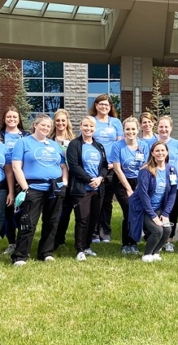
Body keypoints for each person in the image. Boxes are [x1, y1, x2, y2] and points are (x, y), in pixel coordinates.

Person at [11, 114, 68, 266]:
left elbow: (63, 166)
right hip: (33, 187)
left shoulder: (54, 145)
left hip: (54, 188)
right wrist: (25, 188)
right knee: (28, 222)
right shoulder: (23, 143)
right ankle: (21, 256)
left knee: (52, 222)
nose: (46, 128)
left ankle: (46, 252)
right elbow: (16, 167)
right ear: (35, 125)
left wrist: (65, 184)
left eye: (49, 126)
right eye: (43, 125)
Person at [66, 116, 108, 261]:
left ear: (94, 129)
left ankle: (87, 246)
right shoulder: (75, 145)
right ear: (81, 127)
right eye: (85, 126)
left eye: (91, 126)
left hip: (97, 189)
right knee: (82, 219)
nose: (88, 128)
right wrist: (90, 179)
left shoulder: (99, 146)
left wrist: (100, 179)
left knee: (93, 219)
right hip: (81, 189)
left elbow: (104, 166)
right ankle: (79, 249)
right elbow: (74, 166)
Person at [128, 141, 177, 262]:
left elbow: (173, 192)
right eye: (157, 151)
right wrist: (153, 215)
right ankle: (146, 254)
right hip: (143, 208)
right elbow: (143, 194)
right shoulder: (145, 170)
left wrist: (165, 214)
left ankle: (155, 253)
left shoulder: (171, 169)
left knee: (167, 230)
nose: (160, 153)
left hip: (159, 207)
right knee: (157, 230)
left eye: (162, 150)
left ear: (167, 152)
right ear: (152, 153)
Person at [111, 116, 149, 254]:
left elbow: (145, 165)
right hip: (122, 181)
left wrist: (139, 186)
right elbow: (117, 168)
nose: (130, 131)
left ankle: (134, 243)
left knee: (138, 211)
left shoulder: (143, 146)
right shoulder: (117, 146)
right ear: (124, 130)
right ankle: (125, 243)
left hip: (139, 181)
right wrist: (128, 188)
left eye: (133, 129)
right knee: (129, 211)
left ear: (138, 130)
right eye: (127, 129)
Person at [89, 94, 123, 242]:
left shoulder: (115, 122)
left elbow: (120, 144)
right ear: (96, 105)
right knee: (95, 200)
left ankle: (105, 233)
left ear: (111, 107)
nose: (104, 107)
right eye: (101, 104)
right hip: (94, 167)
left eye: (107, 105)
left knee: (107, 201)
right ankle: (94, 233)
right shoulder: (91, 121)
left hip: (111, 167)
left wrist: (114, 163)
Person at [0, 106, 30, 255]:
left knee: (23, 213)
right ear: (4, 119)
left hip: (22, 179)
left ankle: (23, 242)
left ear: (19, 119)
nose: (12, 119)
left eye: (14, 117)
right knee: (8, 212)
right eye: (9, 117)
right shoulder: (0, 135)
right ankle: (12, 242)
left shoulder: (26, 135)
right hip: (5, 179)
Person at [157, 116, 178, 252]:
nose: (163, 129)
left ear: (171, 128)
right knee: (158, 212)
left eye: (166, 127)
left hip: (173, 185)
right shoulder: (153, 143)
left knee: (172, 213)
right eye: (161, 127)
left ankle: (169, 240)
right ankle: (157, 239)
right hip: (157, 185)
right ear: (157, 128)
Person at [50, 109, 77, 249]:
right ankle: (51, 238)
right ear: (54, 122)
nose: (60, 123)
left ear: (67, 122)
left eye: (63, 120)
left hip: (71, 177)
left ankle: (60, 238)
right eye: (58, 120)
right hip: (54, 176)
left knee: (66, 209)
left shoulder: (73, 140)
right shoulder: (49, 140)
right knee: (54, 209)